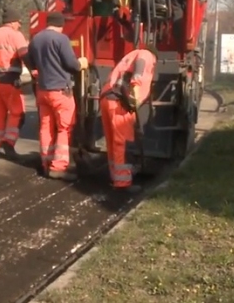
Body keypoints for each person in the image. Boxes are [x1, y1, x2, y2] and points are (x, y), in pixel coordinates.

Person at [28, 12, 89, 181]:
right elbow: (71, 64)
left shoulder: (36, 39)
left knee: (46, 127)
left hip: (42, 90)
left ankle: (46, 162)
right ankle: (58, 166)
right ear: (60, 24)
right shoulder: (61, 39)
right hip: (61, 91)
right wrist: (81, 63)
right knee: (65, 127)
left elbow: (30, 62)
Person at [99, 46, 158, 193]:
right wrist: (135, 90)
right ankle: (122, 183)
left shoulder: (131, 55)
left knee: (113, 141)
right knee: (122, 143)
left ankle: (115, 176)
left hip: (107, 98)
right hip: (120, 102)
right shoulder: (146, 55)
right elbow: (139, 70)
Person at [0, 8, 31, 159]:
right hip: (8, 78)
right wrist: (35, 72)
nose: (19, 25)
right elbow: (25, 55)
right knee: (17, 112)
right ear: (13, 22)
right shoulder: (15, 35)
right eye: (18, 23)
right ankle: (9, 143)